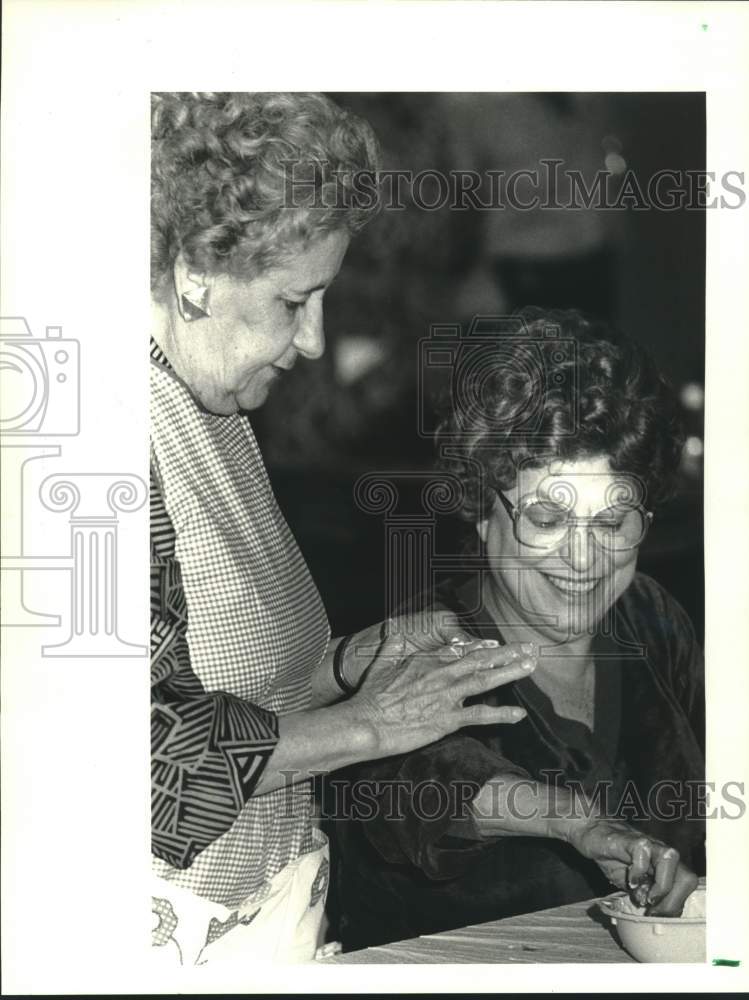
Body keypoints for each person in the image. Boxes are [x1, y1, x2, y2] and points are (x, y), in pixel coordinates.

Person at [148, 92, 540, 968]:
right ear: (192, 273)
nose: (316, 341)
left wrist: (354, 661)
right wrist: (371, 725)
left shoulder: (211, 400)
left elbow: (223, 683)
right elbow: (139, 766)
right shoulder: (107, 442)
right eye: (296, 300)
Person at [333, 308, 705, 951]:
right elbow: (432, 793)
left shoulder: (652, 617)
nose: (584, 560)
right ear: (483, 509)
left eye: (613, 524)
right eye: (547, 520)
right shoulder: (423, 642)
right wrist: (581, 825)